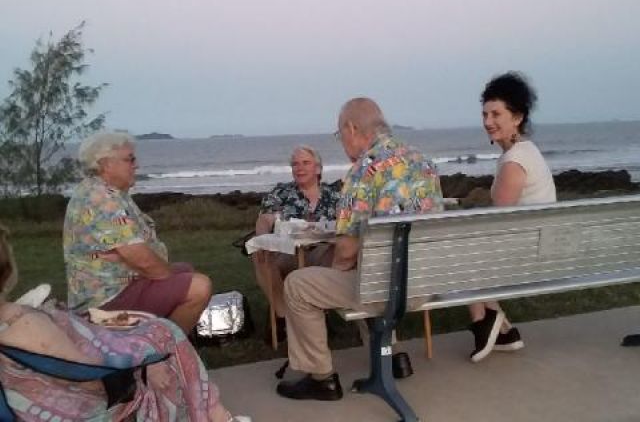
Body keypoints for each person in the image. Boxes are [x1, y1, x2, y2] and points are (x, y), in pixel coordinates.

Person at [276, 97, 443, 401]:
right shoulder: (423, 161)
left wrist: (332, 272)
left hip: (386, 290)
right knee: (366, 275)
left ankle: (321, 377)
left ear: (352, 128)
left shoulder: (362, 170)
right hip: (424, 283)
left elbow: (346, 252)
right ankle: (392, 357)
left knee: (299, 285)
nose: (342, 143)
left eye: (340, 135)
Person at [0, 224, 246, 422]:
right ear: (8, 270)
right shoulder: (22, 322)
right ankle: (215, 416)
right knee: (167, 337)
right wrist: (141, 370)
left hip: (24, 402)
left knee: (157, 331)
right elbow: (90, 377)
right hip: (80, 408)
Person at [63, 132, 212, 334]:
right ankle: (162, 350)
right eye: (129, 159)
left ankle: (152, 336)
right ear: (106, 164)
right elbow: (141, 259)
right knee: (198, 287)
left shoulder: (106, 191)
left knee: (185, 270)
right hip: (106, 300)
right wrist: (164, 275)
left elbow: (137, 254)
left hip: (122, 284)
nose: (136, 165)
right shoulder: (101, 199)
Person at [468, 71, 557, 363]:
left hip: (527, 254)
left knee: (454, 253)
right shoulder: (526, 151)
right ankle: (503, 331)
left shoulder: (514, 161)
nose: (487, 122)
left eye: (496, 114)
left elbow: (499, 222)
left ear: (517, 117)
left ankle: (484, 321)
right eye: (484, 114)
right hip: (538, 243)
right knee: (463, 245)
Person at [253, 146, 341, 322]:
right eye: (295, 164)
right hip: (288, 253)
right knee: (259, 255)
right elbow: (265, 220)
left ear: (318, 168)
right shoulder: (281, 192)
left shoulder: (335, 194)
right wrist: (261, 239)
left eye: (305, 163)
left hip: (322, 253)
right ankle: (285, 315)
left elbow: (346, 221)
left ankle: (318, 308)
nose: (299, 168)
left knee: (342, 250)